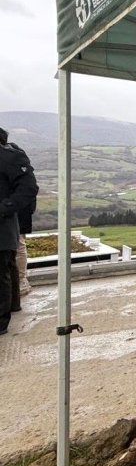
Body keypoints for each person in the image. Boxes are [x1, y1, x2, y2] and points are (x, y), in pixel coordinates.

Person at [0, 127, 38, 335]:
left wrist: (5, 208)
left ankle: (2, 321)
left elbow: (28, 187)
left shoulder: (9, 157)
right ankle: (12, 305)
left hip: (4, 226)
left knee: (3, 271)